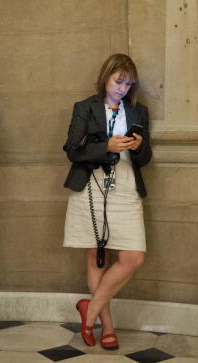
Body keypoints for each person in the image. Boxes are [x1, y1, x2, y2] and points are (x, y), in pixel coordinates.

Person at [62, 54, 152, 349]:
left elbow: (146, 158)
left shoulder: (139, 112)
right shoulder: (84, 108)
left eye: (128, 83)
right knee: (96, 256)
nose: (123, 88)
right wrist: (106, 146)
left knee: (133, 257)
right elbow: (72, 150)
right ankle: (107, 326)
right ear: (105, 78)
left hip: (125, 186)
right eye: (119, 81)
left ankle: (89, 311)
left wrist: (137, 148)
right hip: (91, 184)